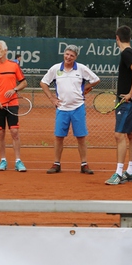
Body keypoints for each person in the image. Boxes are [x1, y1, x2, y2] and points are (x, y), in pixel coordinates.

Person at [40, 45, 100, 174]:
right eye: (67, 54)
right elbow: (43, 82)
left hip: (78, 107)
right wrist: (52, 98)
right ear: (64, 54)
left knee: (81, 137)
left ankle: (84, 164)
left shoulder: (81, 68)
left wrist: (86, 88)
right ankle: (56, 164)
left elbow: (96, 79)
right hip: (62, 108)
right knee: (59, 137)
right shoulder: (56, 68)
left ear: (75, 57)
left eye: (72, 55)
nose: (68, 57)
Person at [106, 25, 132, 185]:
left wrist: (130, 93)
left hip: (126, 102)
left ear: (117, 38)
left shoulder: (126, 53)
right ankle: (131, 171)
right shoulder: (131, 52)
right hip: (129, 102)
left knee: (119, 135)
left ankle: (119, 173)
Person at [0, 40, 27, 172]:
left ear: (5, 50)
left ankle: (18, 161)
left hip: (12, 104)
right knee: (1, 133)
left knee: (14, 132)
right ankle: (3, 160)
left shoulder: (14, 66)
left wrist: (14, 90)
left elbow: (24, 83)